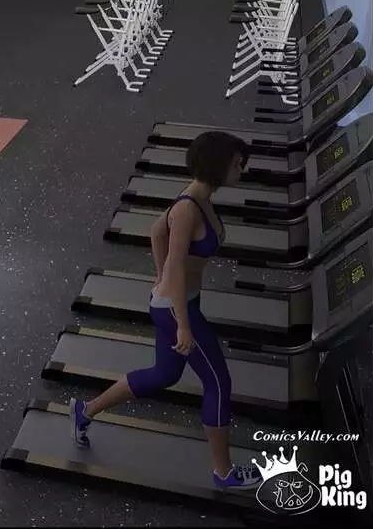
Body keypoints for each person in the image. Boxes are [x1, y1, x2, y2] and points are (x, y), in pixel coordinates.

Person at [68, 131, 261, 490]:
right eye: (237, 164)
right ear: (218, 165)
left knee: (164, 374)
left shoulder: (197, 198)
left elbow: (157, 231)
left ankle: (85, 409)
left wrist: (161, 280)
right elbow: (176, 264)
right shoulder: (188, 208)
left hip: (176, 303)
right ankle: (224, 473)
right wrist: (182, 322)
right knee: (219, 382)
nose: (241, 170)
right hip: (177, 309)